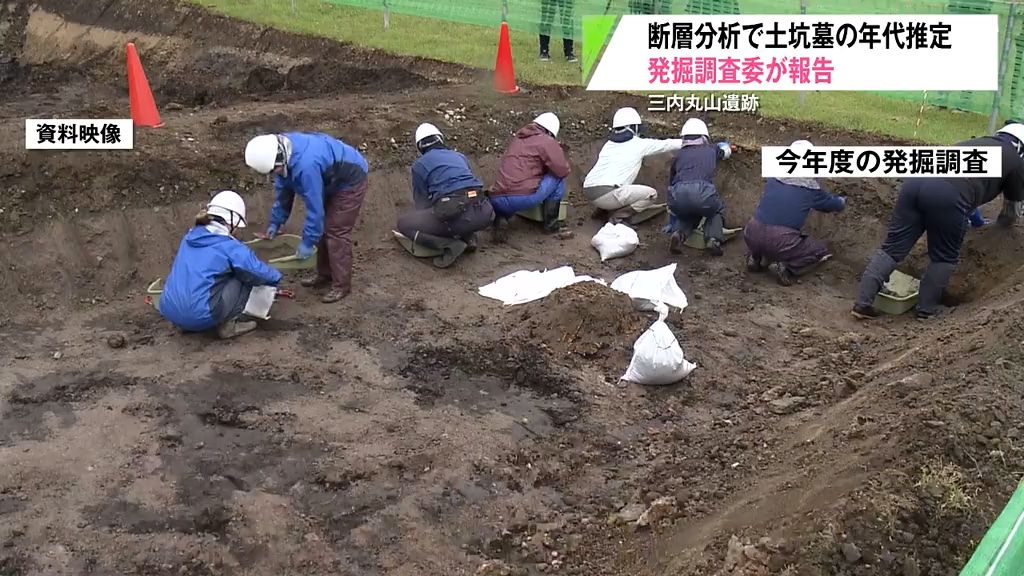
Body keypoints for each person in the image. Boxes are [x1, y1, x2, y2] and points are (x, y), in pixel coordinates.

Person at [852, 122, 1024, 320]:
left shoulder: (973, 143)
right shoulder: (1016, 162)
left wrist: (976, 221)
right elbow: (1011, 210)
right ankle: (926, 310)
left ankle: (862, 304)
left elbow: (967, 187)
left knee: (892, 249)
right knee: (944, 257)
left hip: (915, 184)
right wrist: (1002, 226)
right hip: (948, 197)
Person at [244, 132, 369, 303]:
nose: (275, 173)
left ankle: (341, 285)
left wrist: (308, 242)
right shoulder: (279, 154)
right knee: (322, 227)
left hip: (350, 179)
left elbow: (315, 209)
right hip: (330, 177)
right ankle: (325, 274)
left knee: (335, 230)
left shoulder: (306, 166)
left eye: (275, 170)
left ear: (281, 159)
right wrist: (275, 223)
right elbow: (283, 195)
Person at [158, 191, 282, 339]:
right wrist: (277, 275)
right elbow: (257, 272)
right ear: (231, 221)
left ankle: (185, 324)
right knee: (245, 275)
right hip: (201, 315)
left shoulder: (190, 237)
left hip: (170, 311)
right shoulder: (230, 247)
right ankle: (228, 326)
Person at [743, 140, 846, 286]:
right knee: (820, 250)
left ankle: (754, 257)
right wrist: (842, 201)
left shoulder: (773, 178)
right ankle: (787, 267)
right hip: (780, 241)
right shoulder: (810, 188)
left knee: (764, 237)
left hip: (751, 231)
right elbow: (832, 205)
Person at [397, 123, 495, 268]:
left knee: (404, 223)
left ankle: (450, 245)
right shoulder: (459, 156)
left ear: (419, 147)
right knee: (458, 209)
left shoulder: (420, 165)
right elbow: (467, 185)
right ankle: (468, 237)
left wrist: (428, 217)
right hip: (485, 213)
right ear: (440, 139)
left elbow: (421, 204)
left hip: (456, 215)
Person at [582, 107, 683, 223]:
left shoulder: (608, 145)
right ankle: (618, 217)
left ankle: (602, 212)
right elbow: (666, 144)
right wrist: (690, 141)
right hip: (607, 195)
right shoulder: (639, 144)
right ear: (633, 127)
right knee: (651, 194)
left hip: (589, 190)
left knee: (617, 186)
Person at [489, 112, 573, 241]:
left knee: (511, 187)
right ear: (551, 131)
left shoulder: (517, 139)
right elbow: (562, 169)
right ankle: (551, 224)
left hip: (496, 199)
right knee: (558, 177)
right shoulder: (547, 140)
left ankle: (501, 217)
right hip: (522, 197)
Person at [665, 117, 733, 257]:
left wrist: (673, 212)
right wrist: (726, 145)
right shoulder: (711, 149)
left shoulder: (678, 155)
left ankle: (679, 234)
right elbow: (725, 152)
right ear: (704, 136)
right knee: (715, 211)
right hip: (702, 191)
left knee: (689, 213)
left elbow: (671, 182)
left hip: (677, 194)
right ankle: (713, 239)